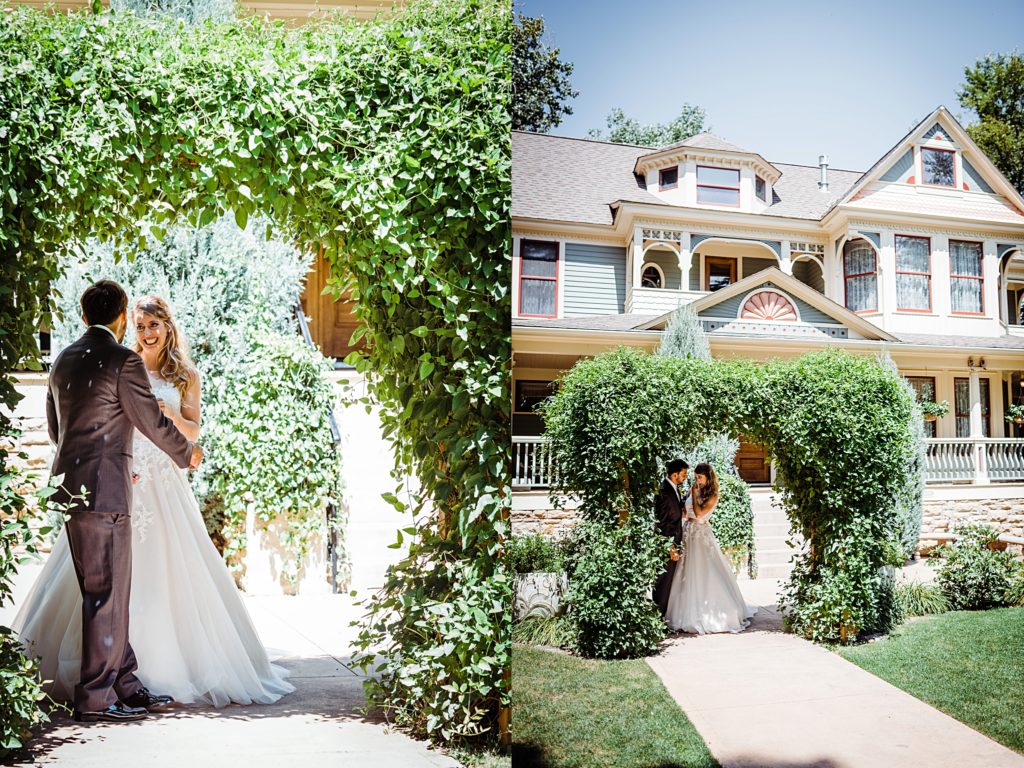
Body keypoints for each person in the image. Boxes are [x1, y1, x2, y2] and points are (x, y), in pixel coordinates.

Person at [15, 291, 293, 715]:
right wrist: (188, 454)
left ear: (84, 313)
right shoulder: (123, 361)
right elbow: (150, 422)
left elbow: (58, 430)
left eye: (153, 325)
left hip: (79, 490)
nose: (144, 332)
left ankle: (125, 683)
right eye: (139, 324)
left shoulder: (63, 359)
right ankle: (96, 699)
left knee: (101, 591)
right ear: (124, 317)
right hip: (115, 485)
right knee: (106, 594)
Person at [664, 462, 756, 634]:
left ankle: (715, 611)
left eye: (700, 477)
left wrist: (693, 493)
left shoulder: (713, 494)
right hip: (688, 532)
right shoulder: (693, 489)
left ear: (708, 477)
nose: (696, 480)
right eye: (695, 477)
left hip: (701, 533)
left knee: (704, 569)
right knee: (685, 571)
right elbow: (686, 512)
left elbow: (699, 514)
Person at [653, 459, 688, 617]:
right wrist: (670, 547)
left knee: (668, 582)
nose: (685, 477)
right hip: (668, 545)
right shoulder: (664, 491)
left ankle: (664, 616)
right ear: (675, 474)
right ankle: (658, 618)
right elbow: (663, 523)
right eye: (684, 474)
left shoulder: (673, 488)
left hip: (675, 542)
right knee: (663, 583)